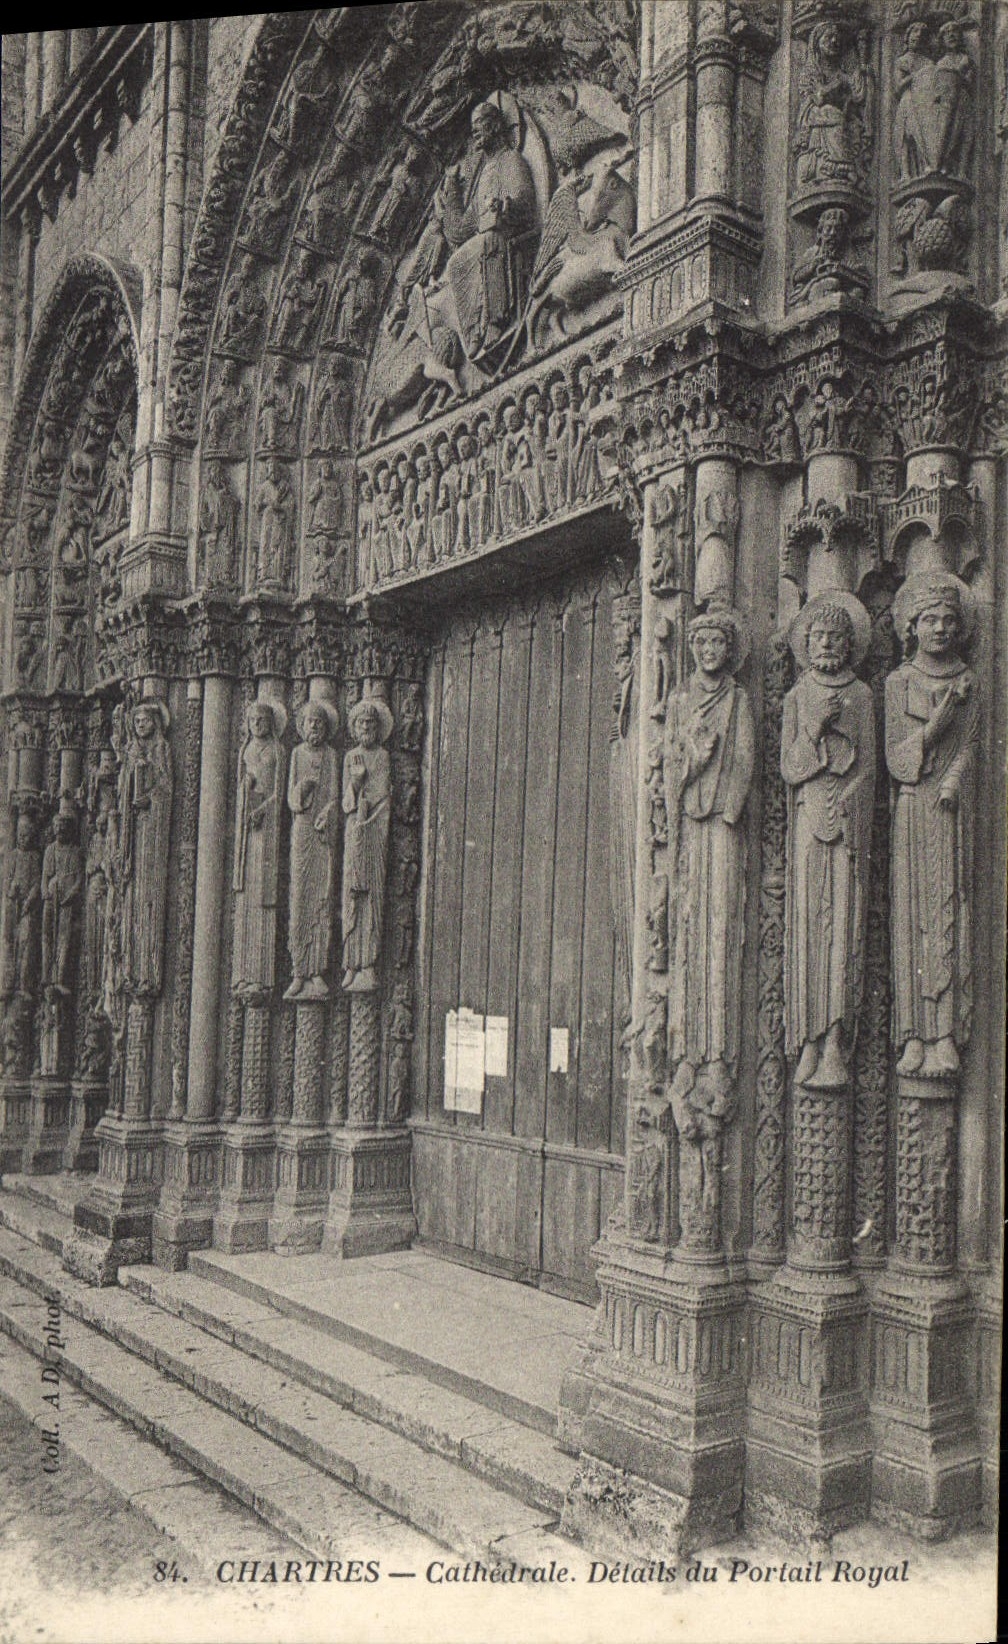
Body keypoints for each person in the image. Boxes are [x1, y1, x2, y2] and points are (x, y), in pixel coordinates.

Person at [886, 574, 978, 1077]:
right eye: (930, 620)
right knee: (911, 919)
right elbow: (895, 759)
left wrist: (955, 780)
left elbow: (973, 746)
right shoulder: (898, 683)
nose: (940, 628)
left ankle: (944, 1034)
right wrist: (932, 730)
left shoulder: (968, 682)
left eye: (948, 620)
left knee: (947, 912)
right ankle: (913, 1034)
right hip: (911, 809)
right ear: (912, 626)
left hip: (947, 810)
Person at [782, 594, 874, 1089]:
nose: (827, 644)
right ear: (808, 644)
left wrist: (850, 800)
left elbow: (871, 771)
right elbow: (789, 769)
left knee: (841, 929)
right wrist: (814, 731)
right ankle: (808, 1041)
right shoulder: (797, 697)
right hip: (808, 824)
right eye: (819, 637)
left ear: (848, 644)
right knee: (808, 934)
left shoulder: (860, 695)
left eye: (836, 637)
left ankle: (836, 1040)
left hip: (847, 825)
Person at [232, 701, 286, 998]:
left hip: (266, 834)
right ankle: (242, 973)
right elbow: (243, 786)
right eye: (252, 719)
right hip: (247, 833)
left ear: (272, 722)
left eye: (262, 719)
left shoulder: (277, 751)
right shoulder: (246, 750)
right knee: (245, 903)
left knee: (261, 901)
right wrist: (245, 788)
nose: (257, 723)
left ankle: (261, 976)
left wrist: (262, 809)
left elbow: (279, 792)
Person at [286, 701, 339, 1001]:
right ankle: (298, 971)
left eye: (319, 723)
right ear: (303, 726)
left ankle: (317, 971)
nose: (315, 728)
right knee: (299, 900)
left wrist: (328, 813)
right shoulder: (296, 754)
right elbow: (291, 801)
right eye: (310, 723)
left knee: (321, 898)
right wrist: (302, 791)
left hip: (322, 835)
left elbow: (334, 795)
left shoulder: (331, 756)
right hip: (302, 831)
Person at [341, 695, 393, 992]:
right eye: (361, 723)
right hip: (353, 832)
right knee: (351, 897)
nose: (366, 727)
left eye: (371, 723)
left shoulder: (383, 756)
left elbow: (384, 797)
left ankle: (369, 964)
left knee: (371, 896)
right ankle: (350, 964)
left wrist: (368, 813)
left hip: (373, 834)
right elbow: (347, 803)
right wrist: (357, 783)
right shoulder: (350, 758)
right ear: (355, 727)